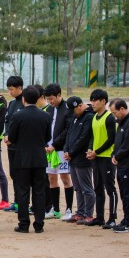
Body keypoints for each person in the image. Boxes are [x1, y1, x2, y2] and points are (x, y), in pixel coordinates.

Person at [8, 86, 52, 234]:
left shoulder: (18, 116)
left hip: (22, 158)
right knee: (39, 191)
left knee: (23, 191)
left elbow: (12, 137)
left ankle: (24, 224)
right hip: (39, 158)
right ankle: (39, 224)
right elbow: (47, 137)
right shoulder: (45, 115)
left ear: (24, 99)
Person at [85, 89, 118, 228]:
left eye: (95, 100)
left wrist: (96, 151)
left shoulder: (109, 117)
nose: (92, 103)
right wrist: (90, 149)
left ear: (103, 101)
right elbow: (93, 136)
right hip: (96, 158)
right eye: (91, 100)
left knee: (110, 189)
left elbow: (111, 139)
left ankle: (112, 218)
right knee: (98, 188)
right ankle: (100, 217)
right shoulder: (94, 117)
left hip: (107, 158)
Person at [109, 99, 129, 233]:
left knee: (128, 194)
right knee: (123, 192)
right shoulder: (121, 121)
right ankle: (125, 219)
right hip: (121, 163)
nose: (114, 116)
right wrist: (114, 154)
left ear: (122, 109)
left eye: (114, 112)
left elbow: (128, 144)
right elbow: (118, 142)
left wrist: (117, 156)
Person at [43, 83, 75, 221]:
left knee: (65, 178)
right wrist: (46, 144)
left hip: (61, 149)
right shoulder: (49, 110)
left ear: (59, 95)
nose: (50, 101)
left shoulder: (68, 108)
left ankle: (69, 209)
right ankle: (55, 209)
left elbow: (67, 130)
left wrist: (55, 145)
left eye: (52, 98)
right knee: (51, 178)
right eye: (48, 99)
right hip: (49, 150)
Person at [63, 96, 94, 224]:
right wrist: (66, 150)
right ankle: (80, 212)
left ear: (80, 106)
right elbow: (69, 134)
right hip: (72, 158)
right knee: (77, 187)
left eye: (73, 110)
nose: (72, 113)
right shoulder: (75, 117)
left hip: (82, 158)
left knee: (86, 187)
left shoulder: (89, 116)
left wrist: (71, 152)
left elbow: (84, 138)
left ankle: (88, 214)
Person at [2, 76, 24, 212]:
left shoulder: (25, 102)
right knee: (13, 173)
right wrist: (6, 134)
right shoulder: (11, 103)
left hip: (21, 145)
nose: (10, 92)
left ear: (20, 88)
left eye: (12, 89)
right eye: (9, 89)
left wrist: (13, 137)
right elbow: (7, 121)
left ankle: (23, 202)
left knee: (22, 175)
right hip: (11, 145)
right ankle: (16, 202)